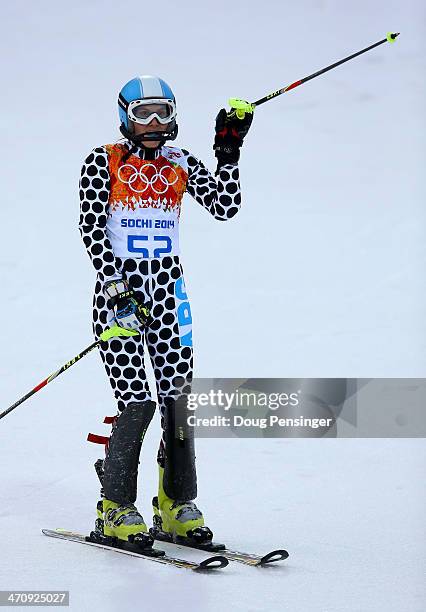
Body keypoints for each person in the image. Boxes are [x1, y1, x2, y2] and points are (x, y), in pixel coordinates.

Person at [78, 75, 253, 550]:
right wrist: (116, 288)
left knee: (179, 401)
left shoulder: (178, 162)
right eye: (143, 114)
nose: (154, 124)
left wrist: (227, 152)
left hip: (169, 295)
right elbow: (91, 228)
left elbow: (225, 206)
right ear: (125, 117)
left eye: (163, 113)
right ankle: (115, 507)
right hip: (122, 298)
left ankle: (175, 506)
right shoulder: (104, 161)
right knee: (137, 401)